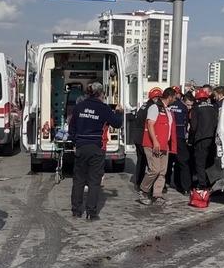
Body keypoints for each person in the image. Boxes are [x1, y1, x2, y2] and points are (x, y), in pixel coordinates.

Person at [68, 82, 123, 220]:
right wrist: (119, 113)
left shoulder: (79, 107)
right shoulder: (103, 108)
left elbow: (71, 128)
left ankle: (76, 210)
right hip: (96, 147)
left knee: (79, 180)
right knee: (94, 181)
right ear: (100, 94)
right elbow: (117, 123)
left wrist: (76, 141)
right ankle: (91, 212)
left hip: (81, 146)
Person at [139, 88, 178, 206]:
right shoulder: (154, 108)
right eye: (175, 97)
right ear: (170, 97)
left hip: (164, 145)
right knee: (154, 170)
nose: (175, 99)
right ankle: (143, 191)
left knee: (162, 171)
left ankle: (157, 195)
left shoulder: (168, 110)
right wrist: (155, 142)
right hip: (153, 144)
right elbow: (150, 124)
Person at [131, 88, 161, 192]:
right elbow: (149, 124)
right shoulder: (152, 107)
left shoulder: (144, 106)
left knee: (141, 161)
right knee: (150, 163)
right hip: (143, 137)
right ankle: (147, 185)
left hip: (137, 136)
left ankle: (138, 183)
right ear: (156, 98)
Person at [190, 87, 218, 189]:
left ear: (197, 99)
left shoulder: (196, 108)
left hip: (201, 138)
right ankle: (212, 183)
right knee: (210, 162)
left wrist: (191, 140)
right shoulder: (213, 107)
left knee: (200, 163)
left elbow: (193, 126)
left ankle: (202, 185)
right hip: (213, 138)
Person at [165, 86, 192, 196]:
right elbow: (186, 123)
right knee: (183, 162)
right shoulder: (183, 107)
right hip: (180, 137)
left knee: (167, 161)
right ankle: (185, 187)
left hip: (168, 137)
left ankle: (165, 184)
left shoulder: (167, 106)